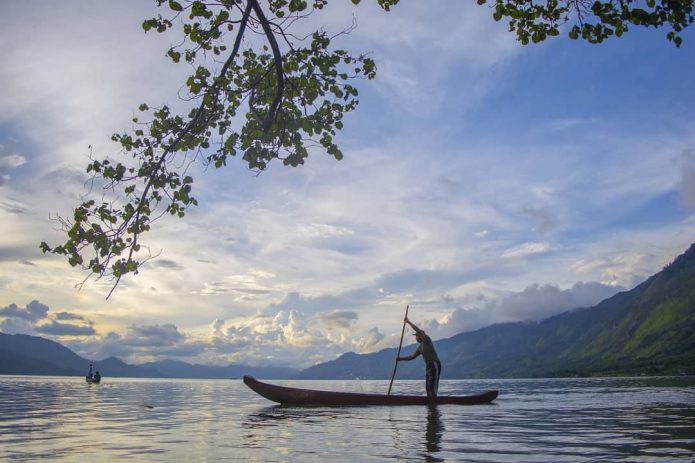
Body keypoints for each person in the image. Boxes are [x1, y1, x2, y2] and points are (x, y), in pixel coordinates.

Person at [397, 317, 442, 397]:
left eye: (417, 336)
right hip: (428, 367)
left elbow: (418, 330)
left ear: (420, 336)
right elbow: (412, 357)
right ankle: (430, 407)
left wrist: (408, 322)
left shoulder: (426, 340)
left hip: (434, 364)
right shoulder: (420, 347)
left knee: (432, 388)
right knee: (428, 388)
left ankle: (434, 403)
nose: (416, 338)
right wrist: (400, 359)